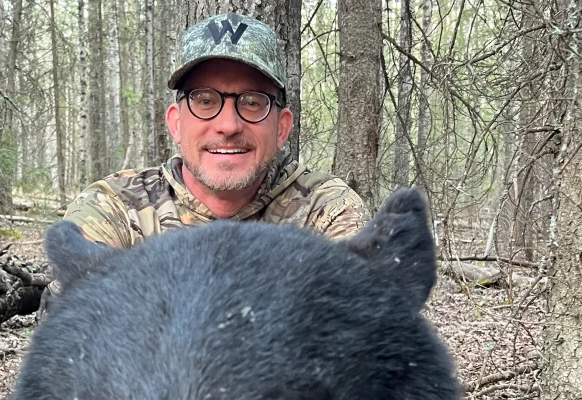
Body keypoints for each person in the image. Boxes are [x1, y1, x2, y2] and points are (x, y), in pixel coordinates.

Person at [59, 13, 365, 259]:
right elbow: (77, 314)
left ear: (281, 128)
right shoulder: (116, 207)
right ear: (176, 123)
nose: (228, 125)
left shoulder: (325, 209)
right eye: (205, 100)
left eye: (252, 102)